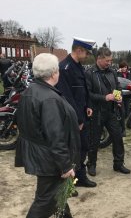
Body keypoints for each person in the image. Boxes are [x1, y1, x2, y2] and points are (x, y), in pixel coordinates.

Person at [15, 53, 80, 218]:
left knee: (57, 197)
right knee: (44, 201)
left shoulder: (31, 90)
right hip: (49, 160)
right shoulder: (49, 98)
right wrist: (66, 166)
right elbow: (55, 137)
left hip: (40, 154)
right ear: (53, 73)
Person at [55, 37, 96, 188]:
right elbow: (67, 97)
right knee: (73, 151)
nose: (87, 56)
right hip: (73, 119)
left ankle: (80, 177)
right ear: (79, 50)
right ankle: (69, 183)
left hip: (82, 115)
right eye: (86, 52)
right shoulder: (65, 68)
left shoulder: (78, 66)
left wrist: (89, 105)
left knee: (83, 148)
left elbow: (84, 91)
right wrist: (77, 119)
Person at [85, 47, 131, 175]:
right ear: (99, 59)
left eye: (110, 60)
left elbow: (117, 87)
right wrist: (104, 97)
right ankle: (91, 164)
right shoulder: (90, 73)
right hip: (97, 112)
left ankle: (118, 163)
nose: (109, 63)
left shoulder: (112, 72)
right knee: (94, 141)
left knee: (118, 138)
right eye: (107, 61)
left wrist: (118, 96)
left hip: (111, 111)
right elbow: (88, 94)